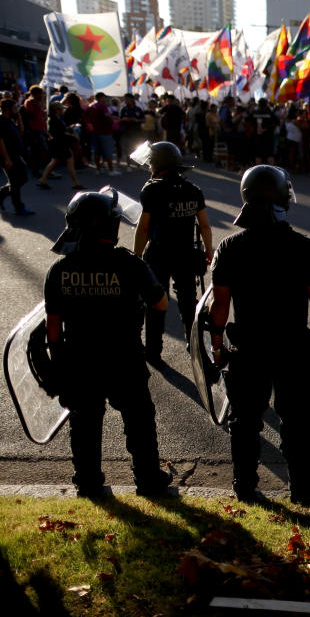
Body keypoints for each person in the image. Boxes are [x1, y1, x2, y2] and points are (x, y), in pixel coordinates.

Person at [209, 165, 310, 504]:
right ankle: (303, 487)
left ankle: (245, 487)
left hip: (248, 345)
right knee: (297, 420)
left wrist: (216, 342)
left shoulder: (230, 247)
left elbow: (219, 304)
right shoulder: (306, 248)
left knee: (245, 420)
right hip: (292, 346)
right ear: (284, 200)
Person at [45, 188, 173, 498]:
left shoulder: (60, 270)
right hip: (124, 357)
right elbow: (161, 304)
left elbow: (52, 328)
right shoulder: (129, 264)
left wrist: (58, 365)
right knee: (139, 420)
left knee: (85, 423)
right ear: (110, 226)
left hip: (79, 359)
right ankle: (148, 480)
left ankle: (88, 483)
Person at [133, 142, 212, 363]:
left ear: (157, 164)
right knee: (189, 301)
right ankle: (194, 344)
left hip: (159, 253)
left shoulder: (151, 189)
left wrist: (136, 256)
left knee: (156, 301)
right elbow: (204, 225)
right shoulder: (193, 189)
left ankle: (153, 351)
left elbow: (144, 227)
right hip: (186, 253)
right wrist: (208, 249)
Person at [36, 101, 84, 190]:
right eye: (61, 109)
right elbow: (59, 134)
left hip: (58, 143)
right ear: (57, 110)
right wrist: (71, 135)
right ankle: (76, 182)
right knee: (68, 161)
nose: (63, 110)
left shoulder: (55, 119)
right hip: (60, 144)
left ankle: (43, 179)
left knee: (55, 161)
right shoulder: (54, 120)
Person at [0, 98, 35, 215]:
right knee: (15, 181)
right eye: (14, 108)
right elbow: (0, 142)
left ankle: (2, 193)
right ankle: (19, 207)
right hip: (7, 155)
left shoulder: (9, 120)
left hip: (15, 154)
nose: (16, 110)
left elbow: (20, 132)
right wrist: (6, 159)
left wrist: (19, 119)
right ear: (8, 109)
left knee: (22, 178)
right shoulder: (1, 121)